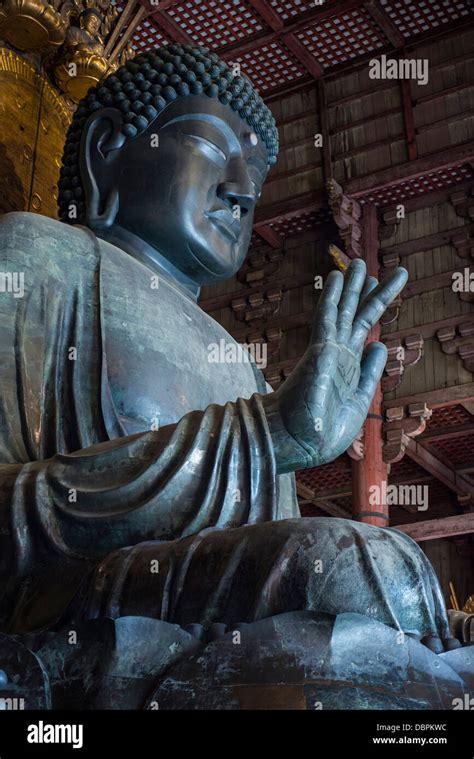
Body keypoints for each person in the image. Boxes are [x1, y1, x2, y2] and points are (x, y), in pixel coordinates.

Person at [0, 44, 453, 653]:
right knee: (347, 568)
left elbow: (256, 545)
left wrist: (274, 434)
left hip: (205, 598)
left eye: (256, 176)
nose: (241, 191)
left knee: (386, 576)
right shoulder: (41, 258)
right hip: (78, 602)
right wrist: (264, 434)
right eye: (213, 149)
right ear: (106, 147)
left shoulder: (236, 360)